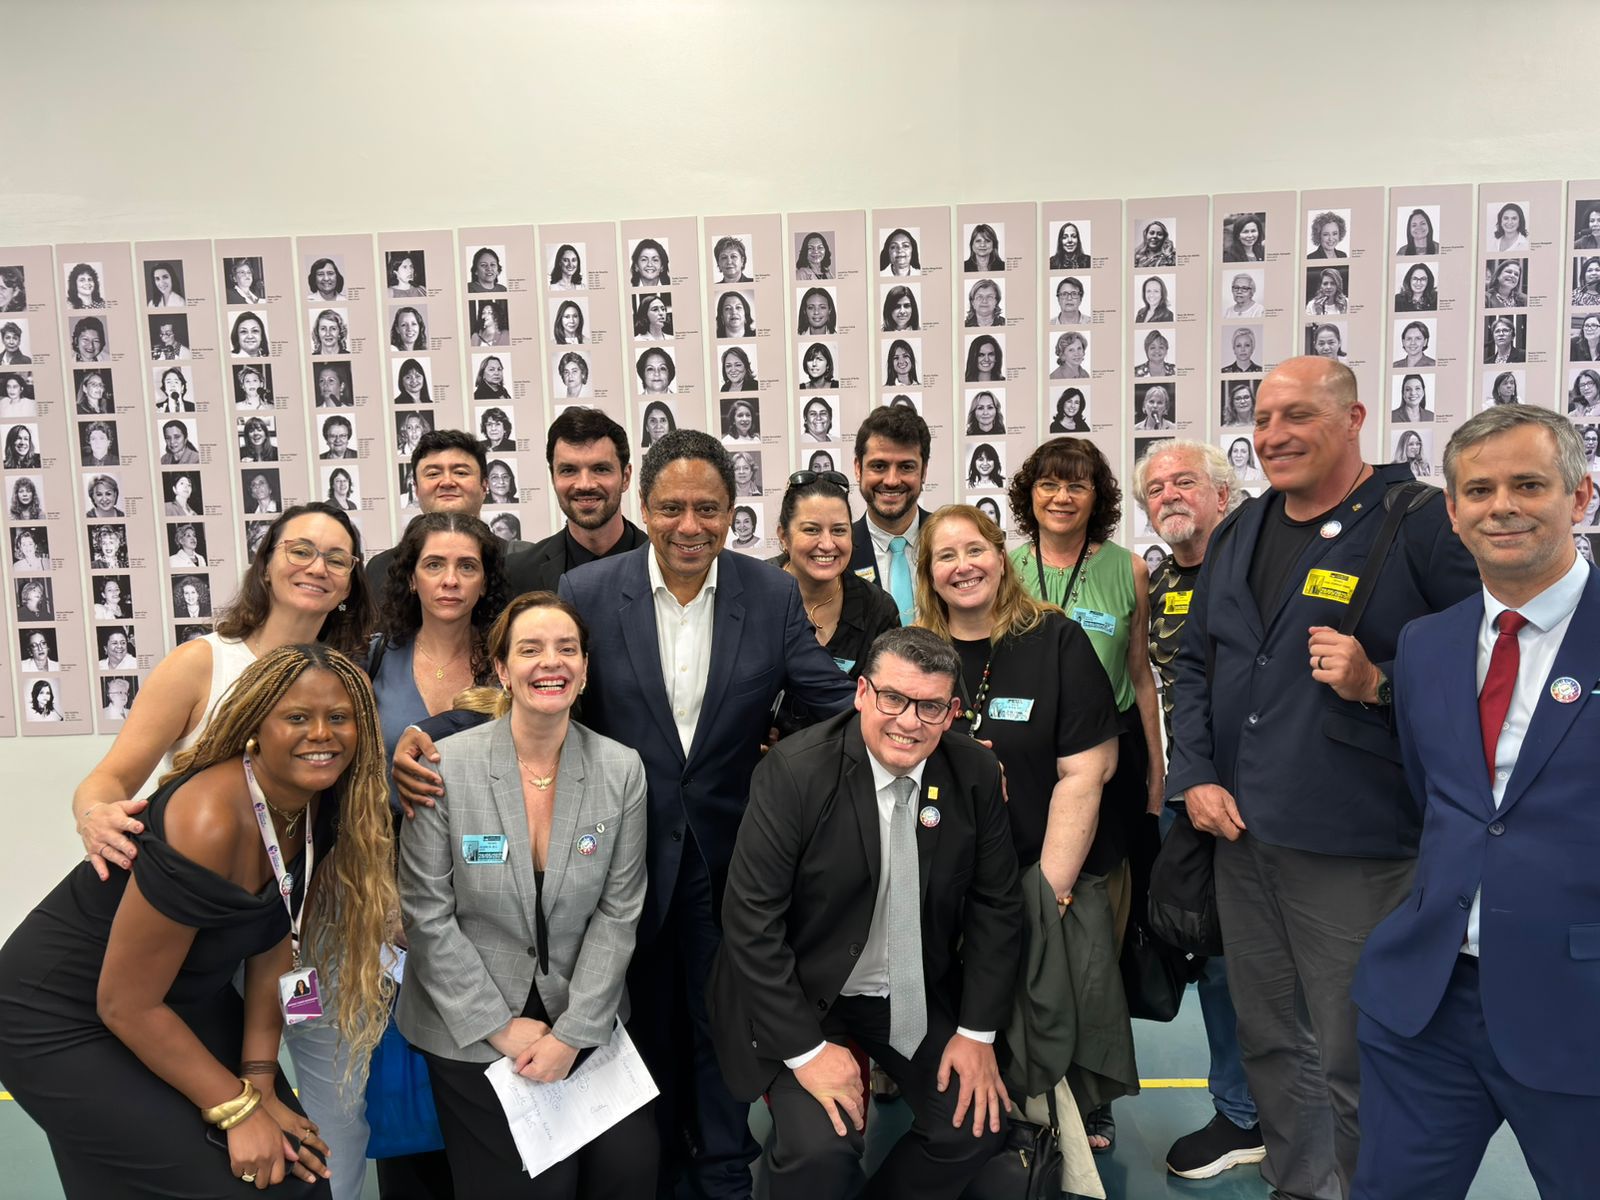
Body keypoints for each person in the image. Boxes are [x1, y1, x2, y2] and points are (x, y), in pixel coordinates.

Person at [419, 429, 842, 1200]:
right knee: (631, 1020)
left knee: (720, 1028)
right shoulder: (589, 594)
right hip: (614, 857)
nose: (690, 525)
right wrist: (425, 741)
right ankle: (651, 1170)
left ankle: (720, 1174)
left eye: (708, 509)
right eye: (672, 507)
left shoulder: (770, 594)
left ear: (732, 514)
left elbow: (829, 698)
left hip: (726, 860)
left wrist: (936, 742)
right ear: (643, 507)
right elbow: (531, 692)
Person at [1164, 355, 1480, 1200]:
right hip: (1241, 833)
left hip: (1356, 843)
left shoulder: (1417, 523)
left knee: (1358, 1049)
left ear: (1354, 418)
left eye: (1297, 416)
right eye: (1263, 420)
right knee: (1269, 1036)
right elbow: (1194, 666)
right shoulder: (1240, 528)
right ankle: (1302, 1184)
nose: (1273, 436)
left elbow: (1490, 659)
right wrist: (1193, 775)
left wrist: (1379, 680)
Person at [0, 644, 396, 1198]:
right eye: (298, 718)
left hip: (173, 999)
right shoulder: (208, 818)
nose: (322, 735)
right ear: (257, 725)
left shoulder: (315, 802)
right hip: (59, 1013)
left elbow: (273, 941)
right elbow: (125, 1003)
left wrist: (259, 1079)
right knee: (253, 1181)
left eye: (339, 718)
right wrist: (237, 1110)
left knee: (297, 1167)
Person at [1351, 405, 1599, 1199]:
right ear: (1453, 513)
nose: (1503, 506)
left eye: (1529, 484)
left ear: (1580, 497)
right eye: (1479, 490)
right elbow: (1441, 802)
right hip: (1427, 1005)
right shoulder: (1427, 645)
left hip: (1580, 1011)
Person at [708, 624, 1020, 1199]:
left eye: (929, 707)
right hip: (803, 996)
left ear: (953, 712)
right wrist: (807, 1052)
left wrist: (976, 1033)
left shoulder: (973, 774)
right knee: (818, 1152)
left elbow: (996, 906)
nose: (908, 721)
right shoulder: (795, 772)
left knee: (973, 1125)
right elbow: (751, 923)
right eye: (893, 698)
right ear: (861, 694)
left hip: (907, 992)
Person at [394, 590, 655, 1198]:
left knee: (632, 1168)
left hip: (580, 1010)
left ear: (586, 669)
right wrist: (498, 1026)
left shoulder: (622, 770)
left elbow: (620, 913)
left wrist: (574, 1031)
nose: (551, 662)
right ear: (502, 668)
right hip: (468, 1017)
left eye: (567, 649)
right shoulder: (443, 767)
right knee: (536, 1186)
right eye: (531, 649)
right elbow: (426, 914)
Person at [1132, 441, 1268, 1179]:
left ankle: (1298, 1113)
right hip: (1191, 797)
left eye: (1185, 481)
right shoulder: (1159, 577)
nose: (1169, 495)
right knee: (1212, 962)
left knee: (1289, 967)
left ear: (1224, 493)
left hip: (1265, 802)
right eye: (1155, 489)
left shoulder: (1261, 567)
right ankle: (1242, 1114)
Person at [1006, 438, 1165, 954]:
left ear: (1097, 497)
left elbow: (1140, 674)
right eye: (1049, 484)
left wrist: (1157, 773)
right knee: (1034, 892)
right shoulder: (1005, 570)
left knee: (1103, 899)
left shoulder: (1130, 569)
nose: (1062, 496)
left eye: (1078, 485)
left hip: (1111, 756)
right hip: (1028, 756)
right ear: (1030, 494)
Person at [771, 469, 899, 736]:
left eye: (839, 530)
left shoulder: (877, 608)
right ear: (784, 536)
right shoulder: (754, 593)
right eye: (812, 530)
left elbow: (887, 701)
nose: (827, 544)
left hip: (847, 763)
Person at [505, 407, 647, 596]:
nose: (585, 484)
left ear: (626, 477)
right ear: (553, 477)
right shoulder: (517, 573)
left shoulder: (666, 566)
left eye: (601, 469)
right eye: (569, 470)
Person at [849, 405, 933, 622]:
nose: (892, 480)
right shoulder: (839, 551)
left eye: (906, 467)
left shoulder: (950, 541)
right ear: (858, 469)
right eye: (879, 466)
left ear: (923, 471)